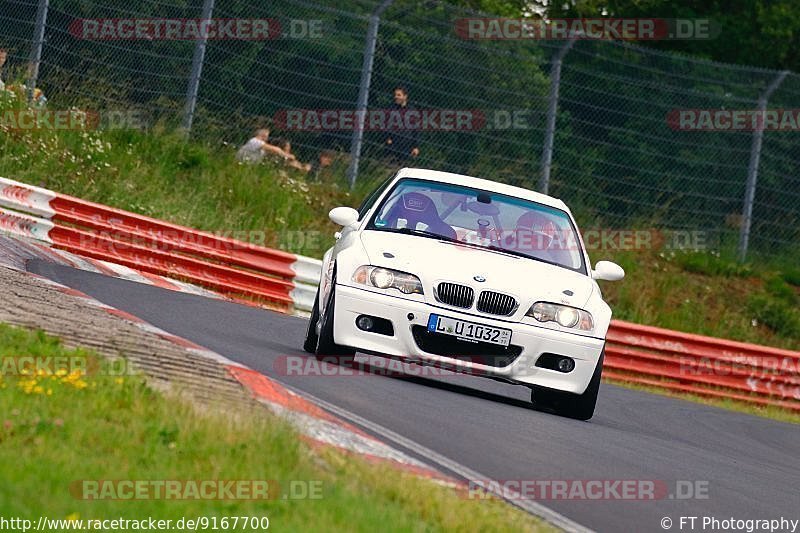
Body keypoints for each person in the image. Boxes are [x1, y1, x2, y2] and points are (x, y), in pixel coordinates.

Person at [384, 85, 420, 161]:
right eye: (395, 95)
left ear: (405, 96)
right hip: (393, 143)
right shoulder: (391, 109)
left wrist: (415, 146)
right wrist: (388, 138)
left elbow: (415, 130)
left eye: (399, 95)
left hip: (406, 145)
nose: (396, 97)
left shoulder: (412, 111)